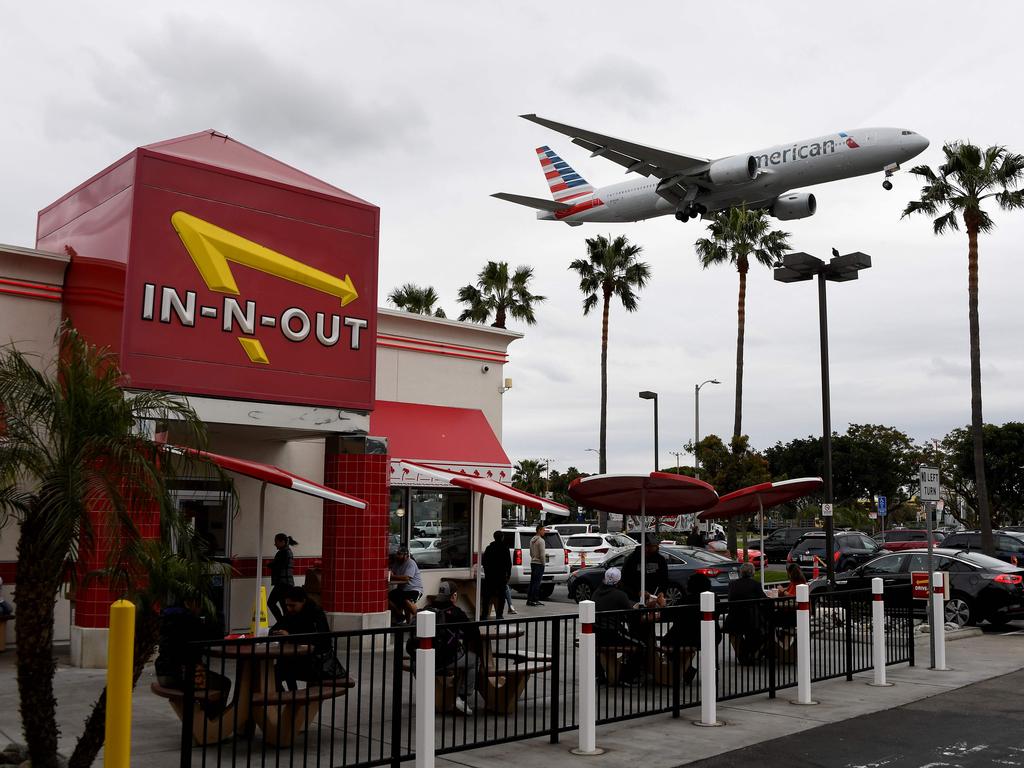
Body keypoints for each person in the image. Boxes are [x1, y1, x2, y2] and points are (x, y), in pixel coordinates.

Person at [414, 582, 482, 715]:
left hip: (423, 660)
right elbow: (473, 632)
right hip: (445, 660)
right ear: (454, 596)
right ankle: (462, 697)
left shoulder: (427, 609)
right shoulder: (456, 613)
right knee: (474, 660)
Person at [154, 599, 230, 713]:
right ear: (190, 602)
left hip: (163, 672)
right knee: (223, 683)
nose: (200, 609)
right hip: (182, 676)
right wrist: (216, 612)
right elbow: (215, 636)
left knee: (210, 679)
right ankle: (213, 718)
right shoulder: (189, 620)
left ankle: (208, 718)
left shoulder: (169, 616)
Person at [271, 586, 346, 691]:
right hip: (300, 660)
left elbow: (320, 640)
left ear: (303, 601)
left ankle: (292, 698)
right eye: (287, 605)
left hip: (316, 664)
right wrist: (276, 632)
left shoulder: (315, 614)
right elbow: (278, 626)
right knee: (274, 673)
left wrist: (290, 636)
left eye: (292, 605)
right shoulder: (291, 614)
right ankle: (291, 697)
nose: (288, 608)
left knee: (279, 670)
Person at [592, 568, 647, 685]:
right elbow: (631, 615)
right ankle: (627, 678)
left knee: (598, 648)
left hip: (598, 634)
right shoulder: (620, 595)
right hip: (613, 634)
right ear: (618, 582)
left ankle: (599, 675)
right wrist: (638, 607)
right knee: (641, 645)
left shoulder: (596, 592)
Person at [722, 562, 770, 664]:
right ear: (752, 573)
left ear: (741, 572)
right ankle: (751, 654)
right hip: (751, 619)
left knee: (735, 635)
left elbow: (730, 599)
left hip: (734, 617)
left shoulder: (732, 584)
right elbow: (764, 600)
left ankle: (742, 655)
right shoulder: (755, 585)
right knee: (764, 630)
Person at [622, 534, 669, 603]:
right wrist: (637, 592)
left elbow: (664, 579)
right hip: (636, 599)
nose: (657, 546)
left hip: (654, 598)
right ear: (646, 546)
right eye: (654, 545)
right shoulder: (632, 559)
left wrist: (662, 592)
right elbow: (625, 580)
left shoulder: (660, 559)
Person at [481, 530, 512, 619]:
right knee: (501, 596)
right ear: (502, 538)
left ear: (494, 537)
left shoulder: (489, 548)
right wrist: (508, 574)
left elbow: (484, 562)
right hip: (501, 575)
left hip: (490, 576)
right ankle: (499, 614)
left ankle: (484, 614)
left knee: (487, 596)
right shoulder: (505, 548)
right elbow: (508, 563)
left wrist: (487, 572)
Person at [388, 546, 423, 624]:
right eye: (396, 554)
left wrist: (392, 576)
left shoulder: (411, 563)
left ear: (406, 555)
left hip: (414, 589)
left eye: (399, 554)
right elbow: (392, 573)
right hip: (402, 590)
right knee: (387, 598)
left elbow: (406, 578)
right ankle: (400, 616)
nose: (397, 556)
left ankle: (421, 620)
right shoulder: (396, 564)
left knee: (406, 601)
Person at [267, 533, 297, 622]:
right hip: (286, 584)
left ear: (282, 542)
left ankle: (281, 622)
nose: (275, 544)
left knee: (271, 603)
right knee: (284, 606)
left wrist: (269, 564)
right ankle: (285, 623)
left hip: (283, 584)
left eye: (276, 542)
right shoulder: (287, 551)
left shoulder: (284, 552)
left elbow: (278, 565)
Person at [526, 523, 547, 606]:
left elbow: (531, 552)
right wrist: (543, 563)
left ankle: (529, 599)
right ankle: (535, 599)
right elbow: (542, 554)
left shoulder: (532, 539)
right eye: (543, 530)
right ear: (539, 530)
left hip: (533, 562)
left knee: (532, 582)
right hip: (539, 564)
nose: (544, 532)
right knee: (537, 582)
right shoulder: (541, 541)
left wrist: (534, 557)